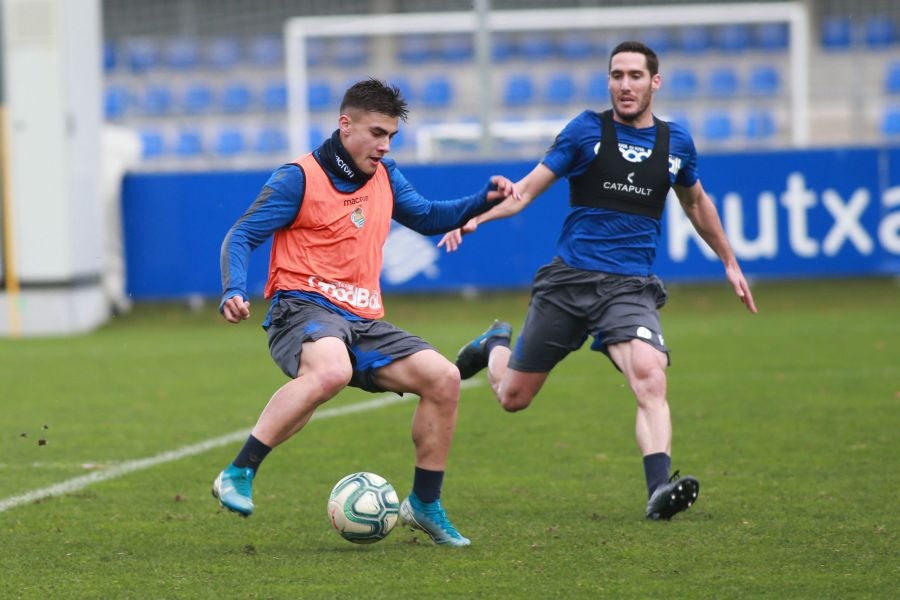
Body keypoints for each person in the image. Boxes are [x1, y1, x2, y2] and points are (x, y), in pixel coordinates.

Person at [438, 41, 757, 521]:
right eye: (616, 75)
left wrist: (729, 260)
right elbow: (524, 191)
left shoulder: (677, 143)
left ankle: (658, 491)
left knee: (650, 375)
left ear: (655, 82)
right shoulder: (586, 131)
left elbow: (696, 203)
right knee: (512, 398)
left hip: (629, 288)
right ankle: (494, 346)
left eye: (634, 75)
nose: (624, 85)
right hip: (568, 284)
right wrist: (477, 218)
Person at [213, 78, 517, 547]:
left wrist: (481, 201)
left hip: (362, 320)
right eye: (377, 132)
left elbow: (428, 216)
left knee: (444, 378)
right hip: (302, 308)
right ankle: (238, 471)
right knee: (331, 371)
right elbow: (242, 234)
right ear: (345, 124)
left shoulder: (386, 175)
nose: (384, 145)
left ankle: (424, 505)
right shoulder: (299, 177)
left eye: (391, 136)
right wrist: (234, 287)